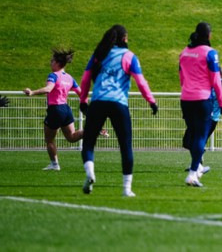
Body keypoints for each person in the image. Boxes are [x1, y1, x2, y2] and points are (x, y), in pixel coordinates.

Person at [78, 24, 158, 197]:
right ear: (124, 38)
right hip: (118, 103)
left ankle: (90, 172)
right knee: (125, 146)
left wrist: (83, 100)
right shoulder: (129, 56)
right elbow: (141, 82)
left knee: (89, 143)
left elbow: (85, 79)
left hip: (98, 101)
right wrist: (151, 101)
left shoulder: (99, 54)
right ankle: (126, 189)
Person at [178, 22, 222, 187]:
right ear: (209, 35)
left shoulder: (184, 53)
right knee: (201, 136)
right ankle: (194, 173)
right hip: (201, 99)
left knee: (193, 134)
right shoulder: (210, 53)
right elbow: (216, 80)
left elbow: (181, 78)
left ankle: (198, 166)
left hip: (185, 98)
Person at [24, 48, 84, 171]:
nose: (50, 63)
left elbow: (48, 89)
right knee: (71, 137)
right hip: (66, 109)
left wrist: (32, 92)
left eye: (52, 61)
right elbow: (81, 93)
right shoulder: (69, 77)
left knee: (49, 139)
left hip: (55, 109)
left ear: (58, 63)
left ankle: (55, 164)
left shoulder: (53, 75)